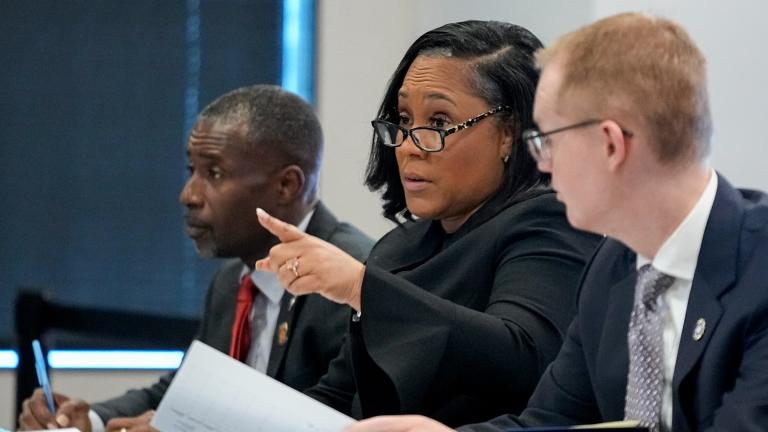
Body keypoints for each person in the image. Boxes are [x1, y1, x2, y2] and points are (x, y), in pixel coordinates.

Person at [347, 12, 768, 432]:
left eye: (547, 140)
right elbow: (550, 420)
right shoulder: (613, 267)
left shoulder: (759, 266)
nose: (540, 163)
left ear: (610, 145)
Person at [254, 20, 601, 427]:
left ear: (509, 134)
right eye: (403, 118)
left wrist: (359, 287)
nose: (406, 145)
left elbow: (524, 356)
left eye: (438, 123)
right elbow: (341, 396)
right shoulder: (398, 246)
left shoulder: (549, 220)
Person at [18, 85, 374, 432]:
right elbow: (183, 393)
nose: (188, 195)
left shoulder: (355, 282)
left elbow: (340, 422)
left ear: (286, 186)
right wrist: (88, 420)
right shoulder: (230, 282)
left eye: (214, 173)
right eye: (192, 171)